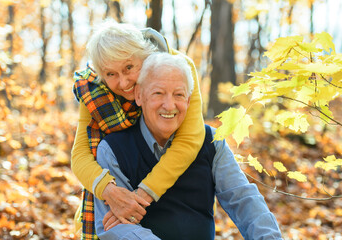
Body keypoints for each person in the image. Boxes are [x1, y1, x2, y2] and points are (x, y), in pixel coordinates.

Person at [94, 52, 283, 240]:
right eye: (158, 93)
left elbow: (243, 200)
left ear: (188, 100)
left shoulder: (210, 141)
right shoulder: (113, 150)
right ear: (139, 95)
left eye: (178, 94)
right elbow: (116, 231)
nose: (169, 105)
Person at [71, 20, 205, 238]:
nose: (124, 83)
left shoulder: (178, 69)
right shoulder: (94, 90)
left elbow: (189, 140)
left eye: (129, 68)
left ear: (145, 55)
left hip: (175, 201)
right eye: (111, 74)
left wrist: (137, 198)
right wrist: (111, 193)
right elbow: (80, 156)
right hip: (109, 213)